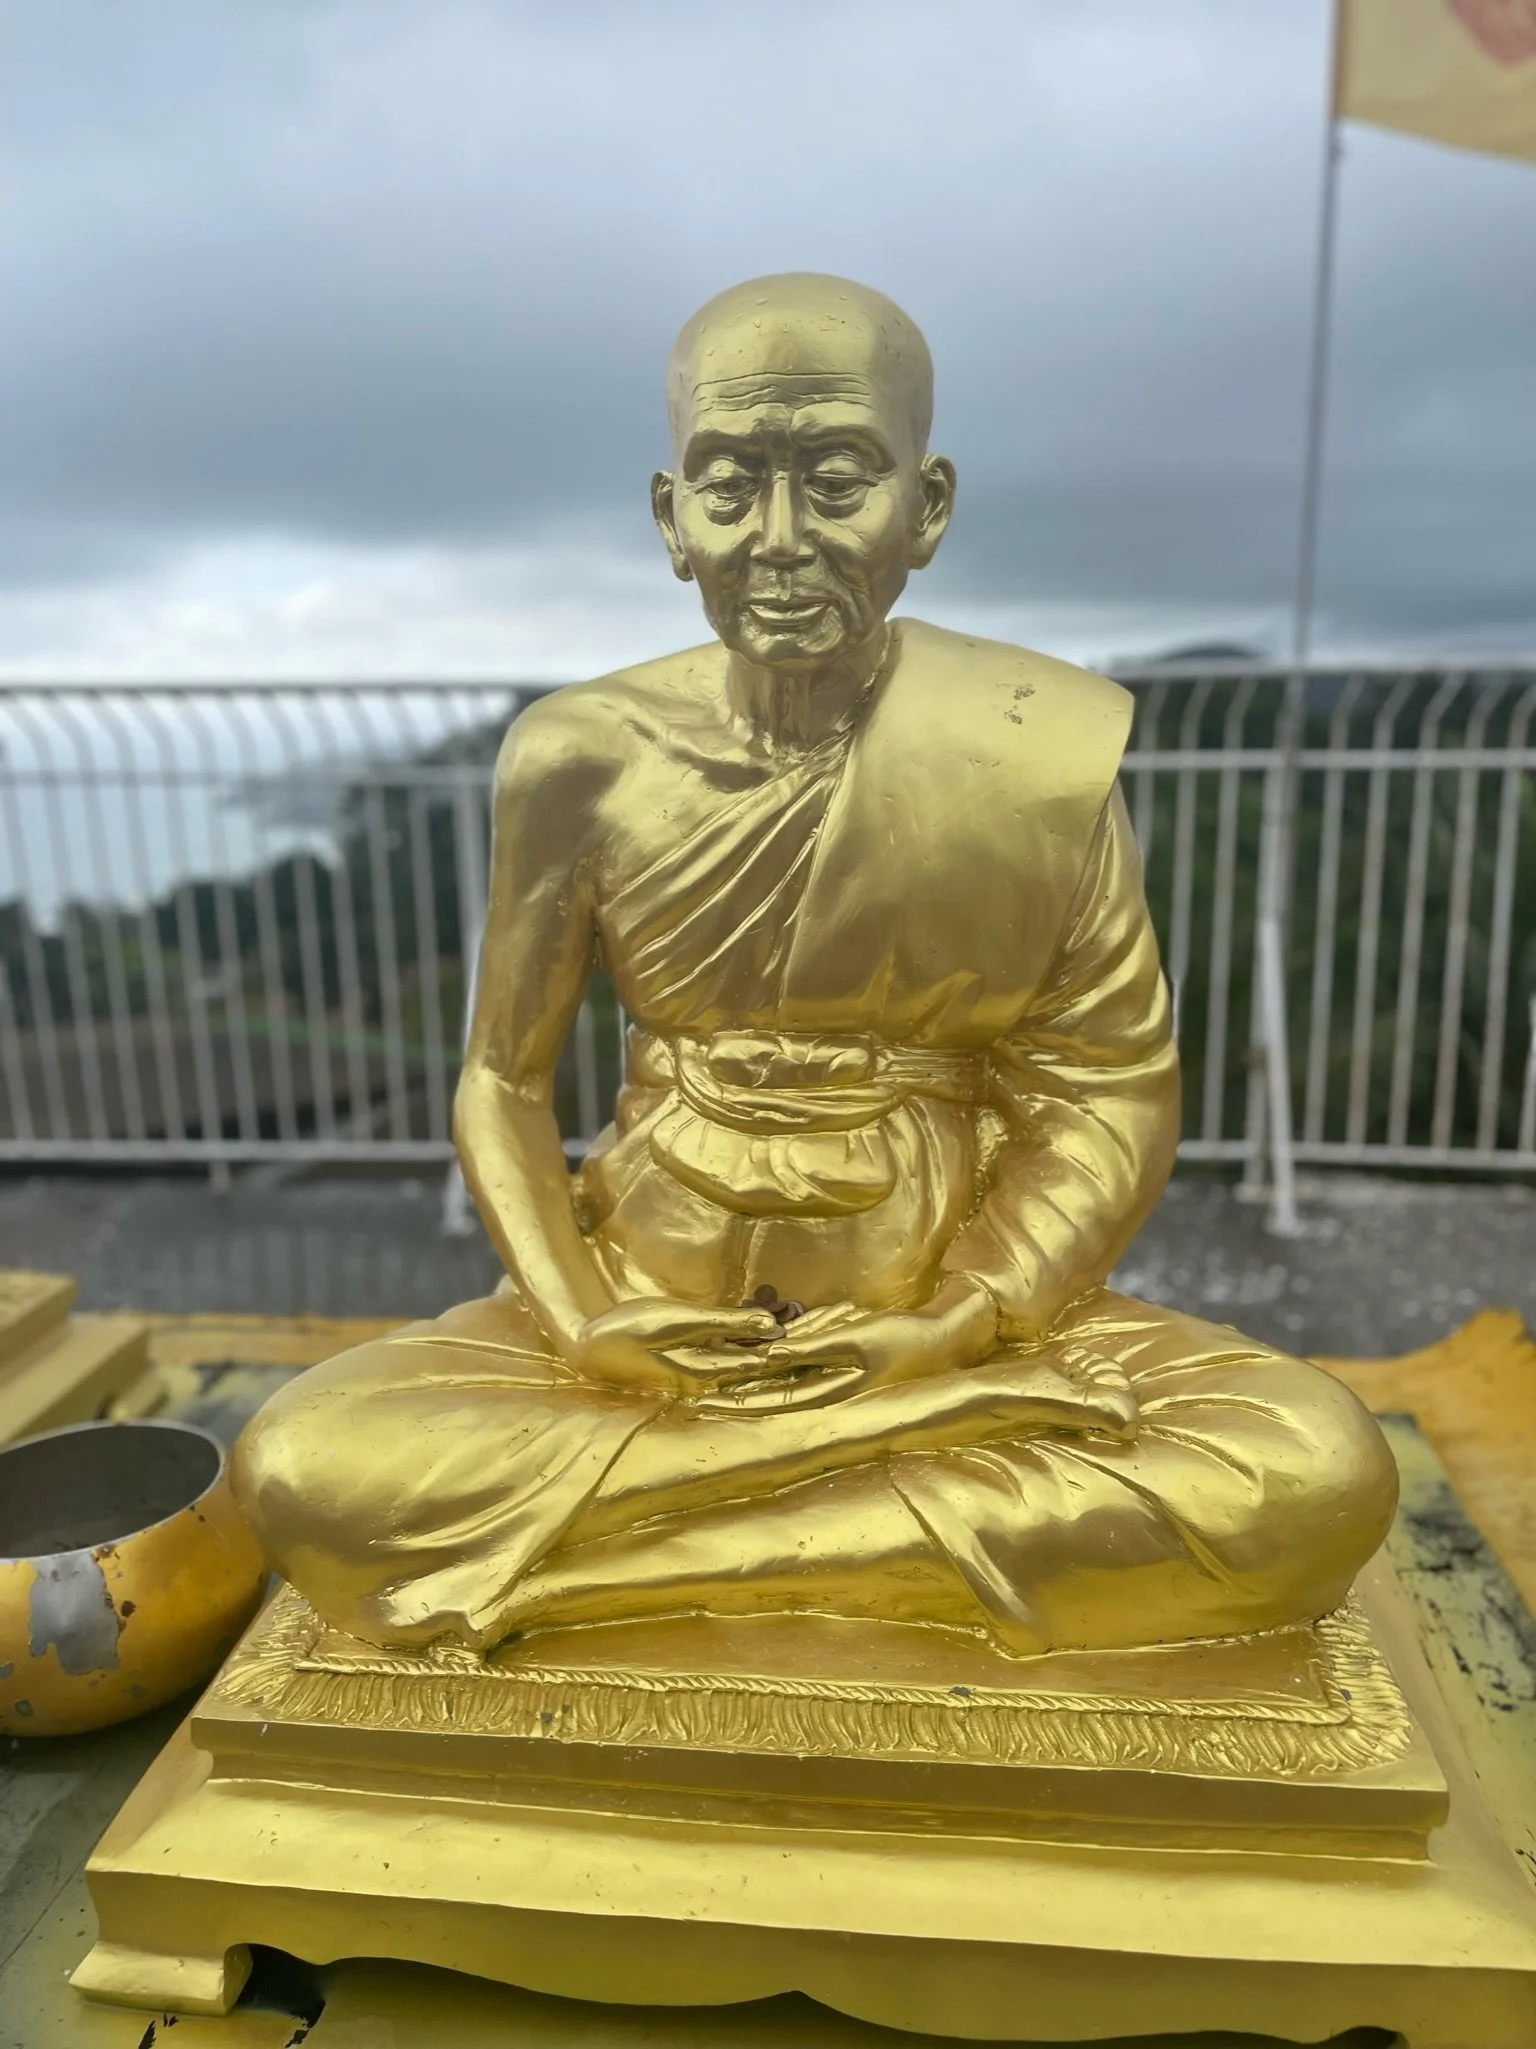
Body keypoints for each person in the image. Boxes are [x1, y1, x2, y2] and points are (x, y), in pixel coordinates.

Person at [232, 274, 1396, 1660]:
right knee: (304, 1465)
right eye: (732, 488)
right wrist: (584, 1322)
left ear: (929, 504)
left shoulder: (1029, 756)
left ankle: (586, 1582)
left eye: (837, 479)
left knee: (1312, 1471)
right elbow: (501, 1079)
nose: (781, 540)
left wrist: (964, 1325)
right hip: (650, 1317)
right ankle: (889, 1487)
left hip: (945, 1315)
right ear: (672, 519)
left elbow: (1107, 1094)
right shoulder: (580, 759)